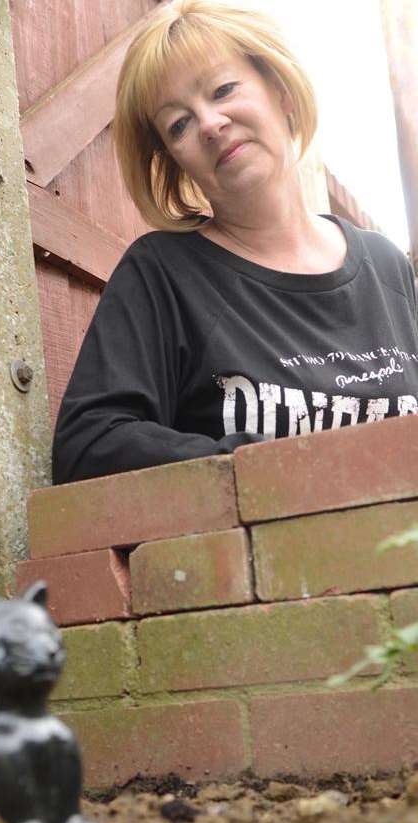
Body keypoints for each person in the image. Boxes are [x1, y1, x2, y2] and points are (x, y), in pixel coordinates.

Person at [52, 0, 418, 485]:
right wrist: (260, 466)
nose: (209, 123)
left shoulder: (386, 267)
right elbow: (88, 444)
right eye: (179, 123)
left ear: (281, 91)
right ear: (174, 160)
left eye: (222, 90)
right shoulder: (162, 274)